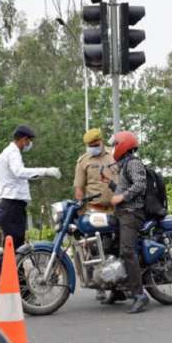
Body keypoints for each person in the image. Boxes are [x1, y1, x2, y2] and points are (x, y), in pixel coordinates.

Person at [0, 124, 61, 305]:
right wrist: (45, 171)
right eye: (28, 141)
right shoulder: (13, 153)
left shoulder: (7, 153)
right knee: (15, 253)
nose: (28, 144)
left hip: (10, 207)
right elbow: (19, 172)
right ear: (22, 139)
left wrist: (40, 175)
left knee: (13, 252)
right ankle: (15, 293)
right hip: (12, 207)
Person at [102, 131, 150, 314]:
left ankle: (140, 295)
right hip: (122, 212)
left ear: (124, 145)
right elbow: (123, 188)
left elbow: (140, 185)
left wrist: (121, 196)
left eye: (115, 144)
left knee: (127, 251)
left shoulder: (134, 163)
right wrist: (110, 184)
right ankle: (118, 291)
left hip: (132, 213)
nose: (113, 148)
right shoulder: (124, 166)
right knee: (110, 247)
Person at [73, 128, 119, 301]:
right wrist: (80, 210)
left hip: (115, 209)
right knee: (94, 248)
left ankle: (117, 285)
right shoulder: (83, 161)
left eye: (96, 144)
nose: (93, 147)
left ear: (101, 141)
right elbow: (79, 189)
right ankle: (99, 284)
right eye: (90, 146)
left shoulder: (114, 156)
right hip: (95, 210)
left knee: (115, 246)